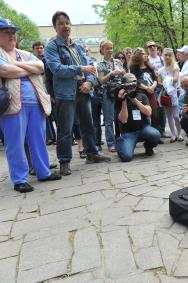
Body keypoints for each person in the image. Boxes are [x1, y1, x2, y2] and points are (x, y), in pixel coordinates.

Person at [45, 11, 110, 176]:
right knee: (65, 129)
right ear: (55, 27)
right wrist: (81, 69)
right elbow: (57, 69)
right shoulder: (52, 46)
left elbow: (91, 67)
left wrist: (89, 82)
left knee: (88, 124)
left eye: (67, 22)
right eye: (61, 23)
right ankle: (65, 161)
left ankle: (92, 154)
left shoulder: (78, 46)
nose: (65, 26)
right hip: (65, 93)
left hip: (84, 90)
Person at [0, 17, 61, 193]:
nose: (12, 35)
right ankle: (19, 179)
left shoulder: (22, 53)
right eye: (6, 32)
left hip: (36, 102)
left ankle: (44, 172)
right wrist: (28, 68)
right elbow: (3, 70)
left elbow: (40, 66)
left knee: (39, 140)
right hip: (11, 104)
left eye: (13, 32)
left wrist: (16, 65)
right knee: (15, 143)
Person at [115, 73, 160, 161]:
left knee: (155, 134)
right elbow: (123, 120)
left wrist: (135, 100)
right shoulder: (120, 99)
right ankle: (121, 143)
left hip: (143, 129)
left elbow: (148, 112)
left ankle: (148, 147)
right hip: (128, 132)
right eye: (129, 85)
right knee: (126, 157)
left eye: (134, 85)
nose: (132, 88)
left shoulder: (142, 96)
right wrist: (123, 101)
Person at [97, 40, 125, 152]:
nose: (110, 50)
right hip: (108, 92)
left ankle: (123, 139)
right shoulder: (100, 64)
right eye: (107, 48)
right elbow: (101, 81)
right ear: (102, 50)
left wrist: (122, 73)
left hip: (120, 91)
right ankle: (111, 143)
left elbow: (125, 75)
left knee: (122, 117)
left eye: (111, 48)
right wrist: (111, 73)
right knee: (109, 120)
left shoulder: (118, 61)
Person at [129, 48, 159, 130]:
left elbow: (155, 79)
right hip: (141, 93)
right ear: (137, 56)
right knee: (145, 114)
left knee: (155, 114)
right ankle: (147, 134)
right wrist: (146, 88)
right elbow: (135, 81)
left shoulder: (149, 66)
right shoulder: (133, 67)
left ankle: (155, 134)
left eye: (144, 53)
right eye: (142, 53)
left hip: (151, 92)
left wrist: (152, 87)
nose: (145, 55)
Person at [158, 48, 183, 143]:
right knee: (169, 116)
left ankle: (179, 133)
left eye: (169, 55)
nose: (167, 57)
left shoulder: (175, 67)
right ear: (163, 56)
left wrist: (169, 81)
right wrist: (165, 83)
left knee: (176, 115)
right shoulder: (160, 70)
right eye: (166, 55)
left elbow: (176, 78)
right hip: (165, 94)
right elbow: (159, 81)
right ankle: (173, 134)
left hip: (174, 93)